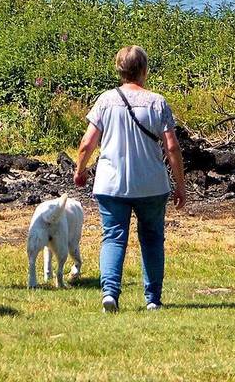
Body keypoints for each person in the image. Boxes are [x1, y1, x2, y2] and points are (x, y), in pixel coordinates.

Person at [73, 45, 186, 312]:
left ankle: (110, 293)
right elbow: (172, 147)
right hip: (151, 184)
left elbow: (87, 143)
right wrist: (180, 184)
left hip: (111, 183)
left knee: (113, 237)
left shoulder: (105, 101)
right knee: (152, 238)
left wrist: (80, 170)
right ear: (144, 71)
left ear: (119, 70)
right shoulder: (157, 102)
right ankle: (152, 299)